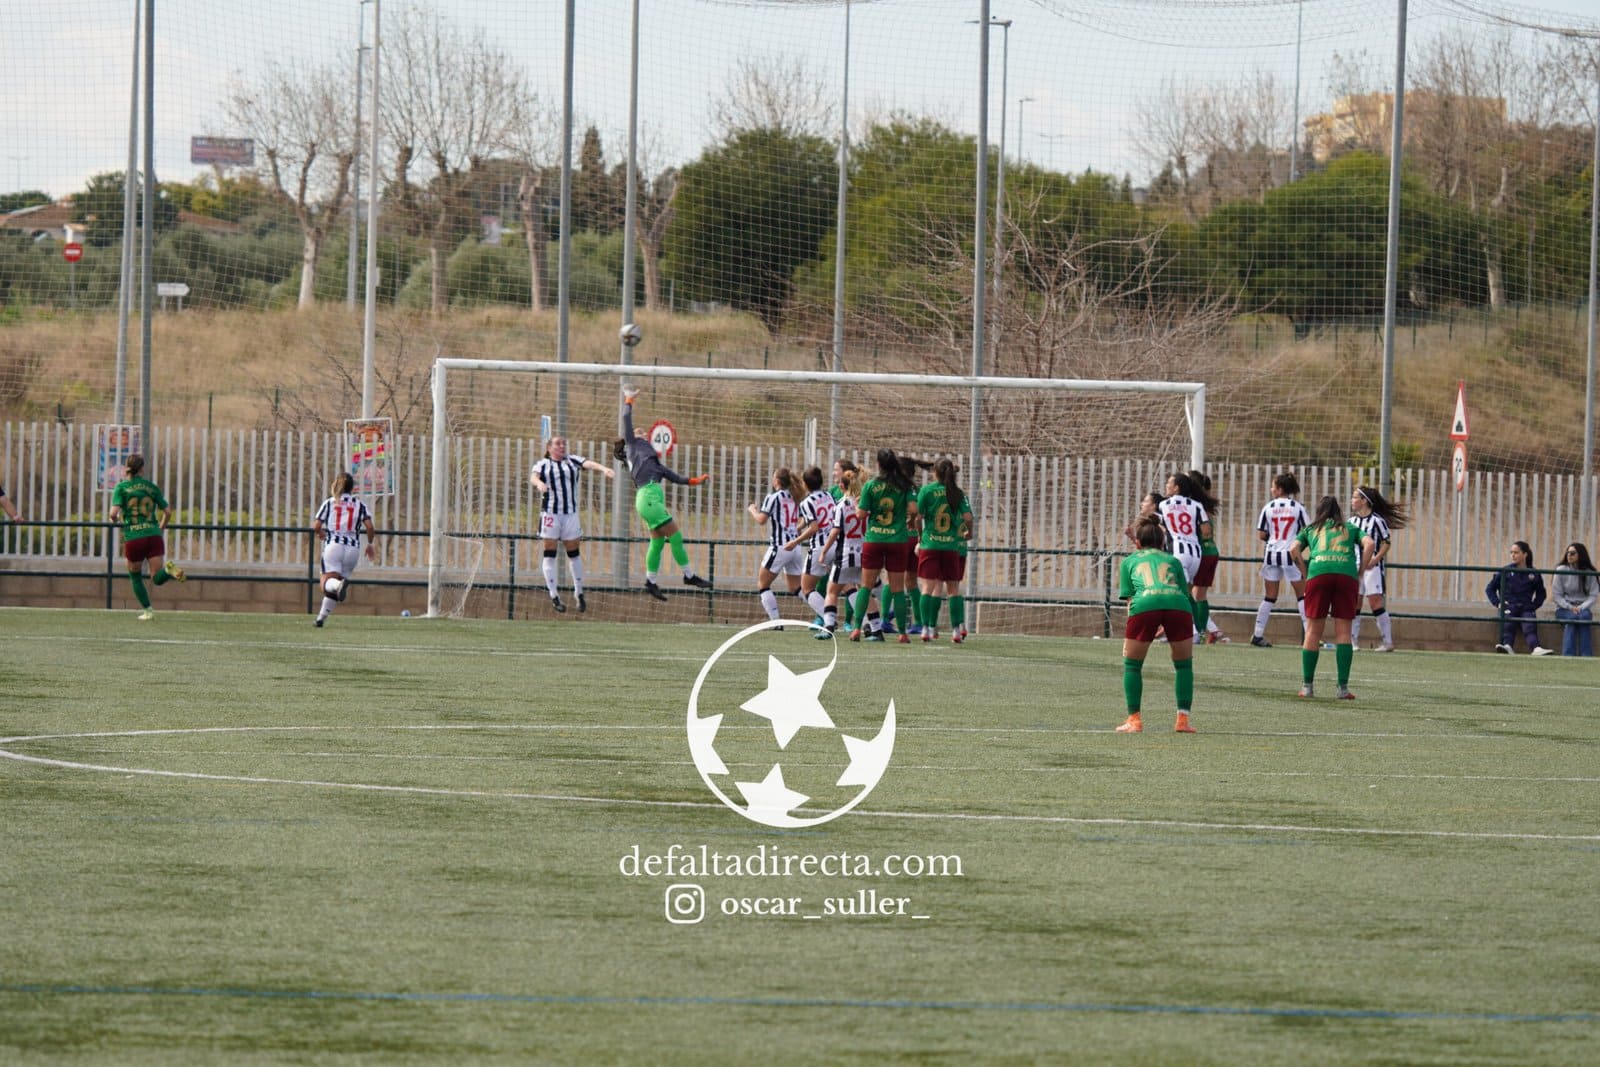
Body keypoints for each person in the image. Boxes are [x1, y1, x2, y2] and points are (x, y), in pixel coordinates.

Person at [614, 386, 712, 600]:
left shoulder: (652, 462)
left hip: (649, 499)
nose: (643, 432)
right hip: (648, 498)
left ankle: (650, 581)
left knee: (657, 541)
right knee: (675, 535)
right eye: (641, 431)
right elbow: (626, 418)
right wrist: (629, 399)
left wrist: (697, 480)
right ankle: (689, 575)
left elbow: (677, 478)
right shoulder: (633, 445)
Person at [1115, 515, 1198, 734]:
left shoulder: (1129, 561)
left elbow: (1130, 599)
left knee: (1132, 664)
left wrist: (1142, 623)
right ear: (1163, 543)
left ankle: (1134, 720)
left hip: (1145, 604)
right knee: (1183, 665)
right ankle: (1183, 720)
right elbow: (1184, 593)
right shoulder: (1173, 561)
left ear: (1138, 543)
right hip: (1178, 605)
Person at [1290, 495, 1375, 699]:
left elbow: (1293, 549)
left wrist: (1304, 570)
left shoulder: (1311, 529)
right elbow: (1370, 543)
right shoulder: (1350, 527)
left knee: (1312, 631)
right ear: (1339, 511)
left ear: (1319, 511)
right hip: (1346, 575)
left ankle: (1307, 687)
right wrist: (1361, 570)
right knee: (1344, 633)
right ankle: (1342, 689)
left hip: (1318, 573)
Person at [530, 435, 615, 613]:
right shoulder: (543, 464)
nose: (562, 446)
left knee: (573, 553)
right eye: (558, 444)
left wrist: (604, 469)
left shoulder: (572, 460)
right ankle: (554, 596)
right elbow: (533, 477)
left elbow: (589, 463)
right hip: (550, 514)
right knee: (550, 553)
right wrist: (539, 484)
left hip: (570, 515)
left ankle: (579, 592)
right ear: (549, 447)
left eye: (564, 443)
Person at [850, 448, 919, 643]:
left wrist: (857, 507)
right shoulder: (904, 485)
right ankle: (903, 633)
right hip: (897, 541)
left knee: (865, 586)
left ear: (878, 465)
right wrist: (910, 519)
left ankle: (856, 629)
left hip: (874, 540)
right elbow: (914, 508)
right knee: (898, 588)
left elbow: (861, 515)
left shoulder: (871, 486)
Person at [107, 454, 187, 620]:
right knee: (157, 577)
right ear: (142, 469)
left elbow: (113, 513)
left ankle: (148, 611)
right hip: (153, 535)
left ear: (126, 468)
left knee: (135, 576)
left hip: (134, 537)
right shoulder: (151, 487)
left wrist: (113, 520)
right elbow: (168, 511)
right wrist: (160, 528)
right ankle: (168, 569)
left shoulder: (121, 487)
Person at [915, 458, 973, 644]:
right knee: (953, 589)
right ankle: (956, 631)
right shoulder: (957, 493)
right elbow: (968, 517)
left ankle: (926, 629)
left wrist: (920, 535)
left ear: (935, 472)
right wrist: (968, 532)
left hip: (930, 544)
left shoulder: (927, 490)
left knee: (927, 588)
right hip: (950, 546)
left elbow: (918, 517)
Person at [1250, 472, 1310, 648]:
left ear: (1280, 489)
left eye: (1273, 486)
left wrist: (1274, 539)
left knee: (1270, 597)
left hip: (1271, 554)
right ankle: (1310, 635)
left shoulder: (1268, 507)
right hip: (1290, 554)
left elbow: (1261, 534)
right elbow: (1307, 531)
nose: (1271, 489)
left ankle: (1257, 635)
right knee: (1302, 595)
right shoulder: (1297, 507)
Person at [312, 472, 377, 627]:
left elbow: (316, 525)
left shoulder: (330, 503)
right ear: (352, 488)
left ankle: (337, 585)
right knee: (335, 585)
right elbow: (369, 526)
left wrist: (320, 533)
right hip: (353, 550)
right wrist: (370, 544)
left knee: (326, 582)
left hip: (334, 545)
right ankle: (320, 619)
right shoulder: (360, 505)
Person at [1348, 485, 1409, 652]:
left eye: (1355, 497)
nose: (1352, 501)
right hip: (1355, 567)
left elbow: (1386, 542)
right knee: (1355, 602)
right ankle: (1352, 641)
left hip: (1372, 569)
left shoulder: (1377, 521)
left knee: (1375, 602)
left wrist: (1375, 559)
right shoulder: (1351, 522)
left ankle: (1388, 642)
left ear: (1364, 501)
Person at [1157, 471, 1215, 633]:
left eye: (1169, 483)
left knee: (1178, 594)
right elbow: (1206, 531)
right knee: (1187, 594)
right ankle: (1188, 630)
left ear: (1176, 488)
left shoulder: (1163, 505)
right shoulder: (1197, 506)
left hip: (1178, 554)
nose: (1167, 485)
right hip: (1195, 555)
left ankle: (1193, 632)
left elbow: (1159, 522)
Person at [748, 467, 806, 623]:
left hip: (780, 547)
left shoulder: (773, 497)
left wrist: (753, 510)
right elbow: (803, 519)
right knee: (796, 588)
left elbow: (761, 520)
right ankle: (824, 612)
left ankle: (776, 621)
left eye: (774, 477)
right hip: (795, 547)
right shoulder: (795, 497)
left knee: (763, 584)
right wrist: (795, 529)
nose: (772, 480)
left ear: (777, 481)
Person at [784, 466, 835, 624]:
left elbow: (814, 527)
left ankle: (828, 620)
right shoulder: (828, 495)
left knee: (806, 588)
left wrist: (795, 541)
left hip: (820, 548)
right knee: (848, 586)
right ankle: (870, 621)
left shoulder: (807, 502)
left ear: (805, 484)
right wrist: (798, 528)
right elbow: (817, 518)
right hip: (835, 544)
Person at [817, 469, 865, 636]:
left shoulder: (842, 505)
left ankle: (828, 627)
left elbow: (835, 531)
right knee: (864, 590)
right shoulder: (862, 503)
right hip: (863, 552)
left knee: (832, 591)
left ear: (843, 486)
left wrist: (824, 551)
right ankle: (873, 626)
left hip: (845, 553)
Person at [1486, 541, 1551, 655]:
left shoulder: (1533, 573)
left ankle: (1536, 648)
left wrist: (1533, 606)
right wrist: (1498, 603)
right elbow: (1490, 588)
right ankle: (1507, 646)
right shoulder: (1505, 571)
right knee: (1508, 624)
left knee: (1529, 625)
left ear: (1525, 554)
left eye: (1516, 552)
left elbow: (1541, 593)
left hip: (1526, 606)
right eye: (1511, 553)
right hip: (1509, 605)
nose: (1513, 555)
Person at [1186, 469, 1228, 644]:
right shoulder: (1203, 506)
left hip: (1201, 554)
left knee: (1191, 594)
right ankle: (1205, 631)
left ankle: (1197, 631)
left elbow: (1202, 532)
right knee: (1198, 594)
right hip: (1211, 552)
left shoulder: (1193, 506)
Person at [1552, 542, 1597, 657]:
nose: (1569, 556)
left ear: (1580, 555)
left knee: (1583, 618)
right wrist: (1570, 607)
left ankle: (1586, 656)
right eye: (1567, 553)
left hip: (1583, 608)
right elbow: (1556, 595)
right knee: (1572, 619)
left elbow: (1593, 595)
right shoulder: (1561, 570)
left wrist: (1581, 607)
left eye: (1572, 553)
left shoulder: (1590, 573)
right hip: (1564, 608)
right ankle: (1568, 655)